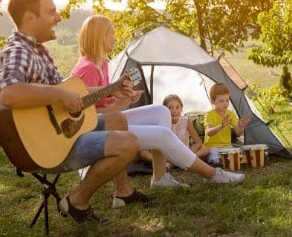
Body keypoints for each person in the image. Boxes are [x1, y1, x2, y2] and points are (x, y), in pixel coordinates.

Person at [0, 0, 149, 225]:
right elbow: (8, 94)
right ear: (29, 17)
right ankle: (77, 200)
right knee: (129, 143)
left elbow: (70, 94)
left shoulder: (39, 51)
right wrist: (58, 95)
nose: (59, 18)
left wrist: (110, 90)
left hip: (62, 132)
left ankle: (124, 193)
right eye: (52, 12)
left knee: (118, 119)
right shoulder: (18, 51)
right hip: (46, 147)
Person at [71, 15, 246, 186]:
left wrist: (124, 101)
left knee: (161, 111)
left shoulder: (101, 63)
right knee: (162, 134)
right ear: (99, 37)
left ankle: (160, 177)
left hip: (110, 120)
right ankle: (213, 174)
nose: (114, 38)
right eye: (111, 33)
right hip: (95, 130)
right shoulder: (88, 69)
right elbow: (86, 117)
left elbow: (106, 105)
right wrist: (117, 105)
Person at [203, 82, 252, 165]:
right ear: (212, 101)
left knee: (238, 155)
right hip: (212, 147)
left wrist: (241, 126)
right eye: (221, 101)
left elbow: (238, 133)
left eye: (227, 100)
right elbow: (209, 132)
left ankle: (224, 160)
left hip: (227, 147)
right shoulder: (209, 114)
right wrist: (221, 126)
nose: (225, 103)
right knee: (216, 158)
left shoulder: (231, 114)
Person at [163, 94, 210, 163]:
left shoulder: (186, 120)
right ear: (164, 109)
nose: (174, 111)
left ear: (181, 108)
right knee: (144, 153)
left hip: (186, 152)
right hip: (170, 155)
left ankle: (180, 162)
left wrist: (189, 153)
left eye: (177, 107)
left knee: (206, 149)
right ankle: (184, 161)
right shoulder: (163, 122)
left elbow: (198, 142)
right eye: (170, 108)